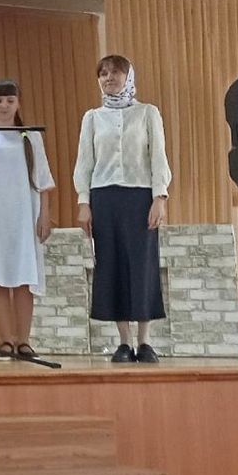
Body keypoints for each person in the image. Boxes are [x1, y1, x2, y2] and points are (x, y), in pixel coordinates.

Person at [74, 55, 171, 364]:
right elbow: (85, 162)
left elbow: (158, 156)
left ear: (128, 77)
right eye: (103, 73)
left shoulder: (147, 113)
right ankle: (124, 342)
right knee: (111, 266)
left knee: (142, 266)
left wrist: (160, 196)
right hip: (104, 198)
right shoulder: (92, 117)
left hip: (140, 197)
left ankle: (145, 341)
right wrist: (83, 202)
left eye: (115, 72)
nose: (108, 78)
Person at [0, 79, 54, 360]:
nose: (4, 106)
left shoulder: (31, 136)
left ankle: (24, 340)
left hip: (24, 216)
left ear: (18, 103)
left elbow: (43, 180)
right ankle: (6, 340)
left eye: (9, 100)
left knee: (23, 279)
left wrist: (44, 214)